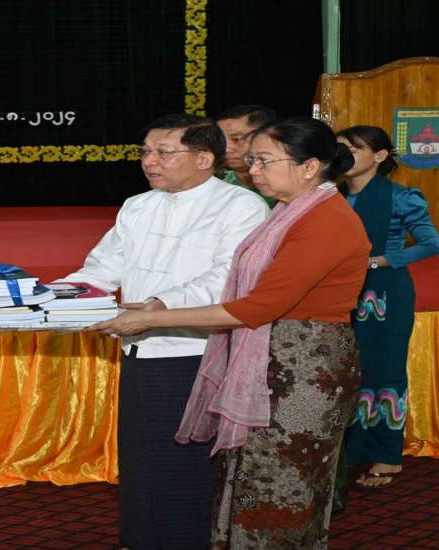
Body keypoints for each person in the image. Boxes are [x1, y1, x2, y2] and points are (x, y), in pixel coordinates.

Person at [90, 117, 371, 548]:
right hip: (271, 360)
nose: (252, 171)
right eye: (252, 160)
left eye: (263, 161)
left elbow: (256, 305)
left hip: (304, 369)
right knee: (251, 476)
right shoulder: (290, 212)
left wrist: (152, 318)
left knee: (284, 484)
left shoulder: (324, 220)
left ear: (309, 167)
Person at [60, 113, 269, 549]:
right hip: (139, 349)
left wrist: (161, 305)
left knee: (184, 466)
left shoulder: (241, 206)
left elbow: (227, 279)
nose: (149, 161)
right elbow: (100, 271)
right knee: (142, 461)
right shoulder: (138, 205)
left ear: (204, 158)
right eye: (145, 152)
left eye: (163, 152)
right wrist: (45, 298)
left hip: (196, 352)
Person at [336, 125, 439, 488]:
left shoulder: (401, 197)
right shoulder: (329, 196)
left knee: (385, 371)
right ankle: (351, 451)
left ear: (379, 156)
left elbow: (430, 244)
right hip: (340, 294)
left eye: (353, 149)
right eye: (339, 148)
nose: (344, 155)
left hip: (385, 294)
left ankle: (387, 456)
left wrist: (377, 261)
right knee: (347, 371)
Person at [215, 104, 277, 205]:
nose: (226, 149)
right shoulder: (219, 187)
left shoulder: (290, 185)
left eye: (237, 139)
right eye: (221, 140)